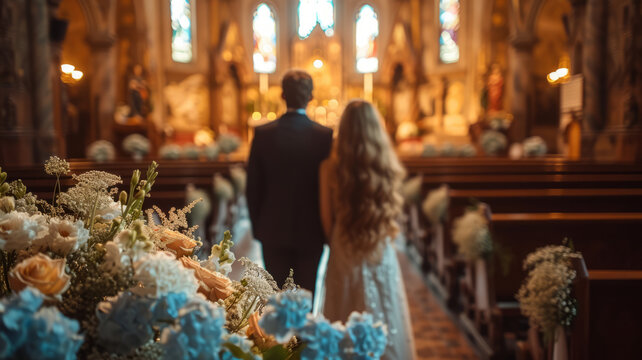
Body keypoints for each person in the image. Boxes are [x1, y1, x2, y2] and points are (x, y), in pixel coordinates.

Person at [317, 100, 417, 359]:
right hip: (378, 248)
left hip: (343, 246)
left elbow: (327, 223)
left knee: (343, 316)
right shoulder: (385, 166)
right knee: (384, 311)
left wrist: (339, 241)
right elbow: (392, 215)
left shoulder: (329, 168)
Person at [247, 70, 333, 293]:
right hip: (312, 231)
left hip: (272, 228)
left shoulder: (263, 134)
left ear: (282, 96)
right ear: (311, 97)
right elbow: (331, 188)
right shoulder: (324, 136)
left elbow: (253, 188)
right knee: (306, 295)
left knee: (276, 299)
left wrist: (259, 228)